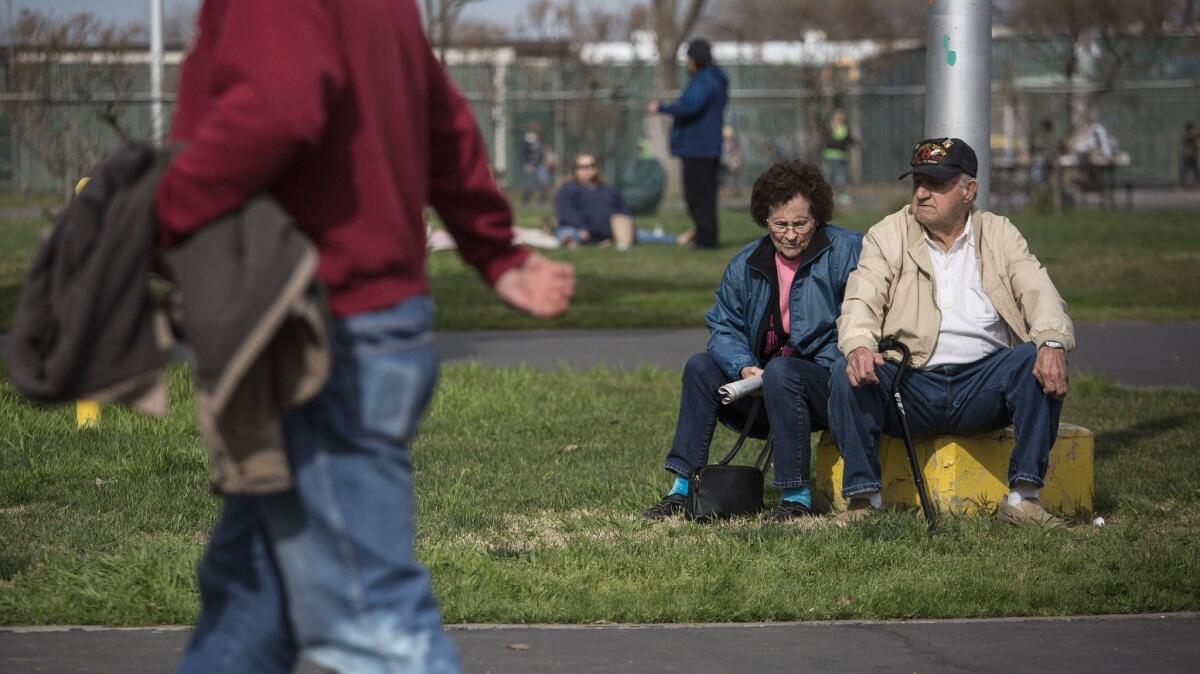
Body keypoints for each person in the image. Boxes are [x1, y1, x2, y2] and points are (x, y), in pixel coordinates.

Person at [154, 2, 575, 672]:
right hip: (357, 321)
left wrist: (162, 211)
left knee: (371, 619)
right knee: (246, 606)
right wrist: (494, 250)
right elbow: (442, 120)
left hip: (326, 333)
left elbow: (277, 107)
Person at [829, 137, 1074, 528]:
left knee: (1037, 354)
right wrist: (859, 345)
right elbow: (862, 297)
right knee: (846, 371)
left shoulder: (999, 232)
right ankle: (864, 503)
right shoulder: (887, 233)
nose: (922, 194)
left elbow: (1039, 290)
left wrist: (1051, 341)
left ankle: (1024, 499)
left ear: (969, 190)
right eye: (917, 183)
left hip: (983, 383)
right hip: (909, 384)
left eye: (936, 183)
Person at [643, 160, 862, 522]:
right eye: (780, 225)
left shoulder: (848, 251)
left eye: (800, 224)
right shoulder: (745, 263)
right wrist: (744, 367)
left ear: (818, 217)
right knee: (700, 366)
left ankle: (795, 496)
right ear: (765, 220)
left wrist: (778, 373)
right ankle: (681, 489)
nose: (790, 235)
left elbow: (861, 321)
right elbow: (723, 326)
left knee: (783, 371)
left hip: (823, 389)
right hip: (761, 386)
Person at [647, 38, 728, 250]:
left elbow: (690, 106)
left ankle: (706, 239)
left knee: (698, 197)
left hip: (698, 147)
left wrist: (662, 107)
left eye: (689, 58)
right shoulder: (714, 79)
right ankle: (705, 236)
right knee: (703, 196)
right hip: (704, 146)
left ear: (697, 60)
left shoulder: (705, 81)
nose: (687, 63)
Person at [554, 153, 678, 250]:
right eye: (583, 167)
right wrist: (581, 228)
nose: (588, 170)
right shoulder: (568, 188)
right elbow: (566, 213)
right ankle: (571, 244)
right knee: (567, 233)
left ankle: (678, 239)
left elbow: (624, 210)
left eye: (592, 166)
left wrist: (626, 227)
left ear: (597, 168)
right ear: (575, 170)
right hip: (580, 230)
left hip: (611, 231)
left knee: (644, 235)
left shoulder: (608, 190)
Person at [821, 108, 854, 204]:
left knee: (839, 176)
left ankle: (838, 195)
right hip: (832, 155)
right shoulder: (830, 128)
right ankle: (834, 195)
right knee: (838, 176)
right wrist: (840, 143)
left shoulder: (844, 127)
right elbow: (830, 141)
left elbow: (848, 139)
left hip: (843, 155)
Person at [521, 128, 553, 204]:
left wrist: (549, 161)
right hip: (531, 164)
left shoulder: (543, 143)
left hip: (541, 164)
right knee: (529, 184)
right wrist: (526, 164)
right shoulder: (528, 142)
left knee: (543, 181)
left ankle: (542, 199)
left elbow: (547, 152)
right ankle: (526, 199)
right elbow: (524, 153)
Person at [1180, 122, 1199, 186]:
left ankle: (1197, 180)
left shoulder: (1197, 135)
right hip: (1188, 157)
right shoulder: (1187, 138)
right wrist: (1189, 152)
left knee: (1196, 169)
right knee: (1186, 168)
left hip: (1195, 156)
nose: (1196, 130)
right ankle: (1182, 182)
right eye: (1193, 129)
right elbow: (1186, 149)